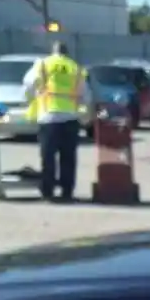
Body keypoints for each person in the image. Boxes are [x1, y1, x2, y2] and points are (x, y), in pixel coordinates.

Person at [22, 39, 91, 202]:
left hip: (49, 116)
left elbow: (28, 86)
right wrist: (84, 112)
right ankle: (67, 192)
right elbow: (86, 96)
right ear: (67, 54)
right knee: (68, 157)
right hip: (71, 118)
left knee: (48, 157)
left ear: (52, 51)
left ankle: (48, 192)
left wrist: (31, 100)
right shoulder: (76, 68)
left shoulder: (43, 65)